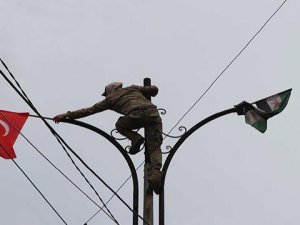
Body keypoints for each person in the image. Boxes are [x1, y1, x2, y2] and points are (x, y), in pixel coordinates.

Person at [53, 82, 163, 194]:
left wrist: (66, 115)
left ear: (109, 91)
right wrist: (150, 90)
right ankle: (156, 174)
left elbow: (88, 110)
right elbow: (153, 90)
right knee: (155, 147)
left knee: (120, 125)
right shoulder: (133, 88)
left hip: (136, 115)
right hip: (153, 114)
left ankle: (135, 138)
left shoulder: (109, 99)